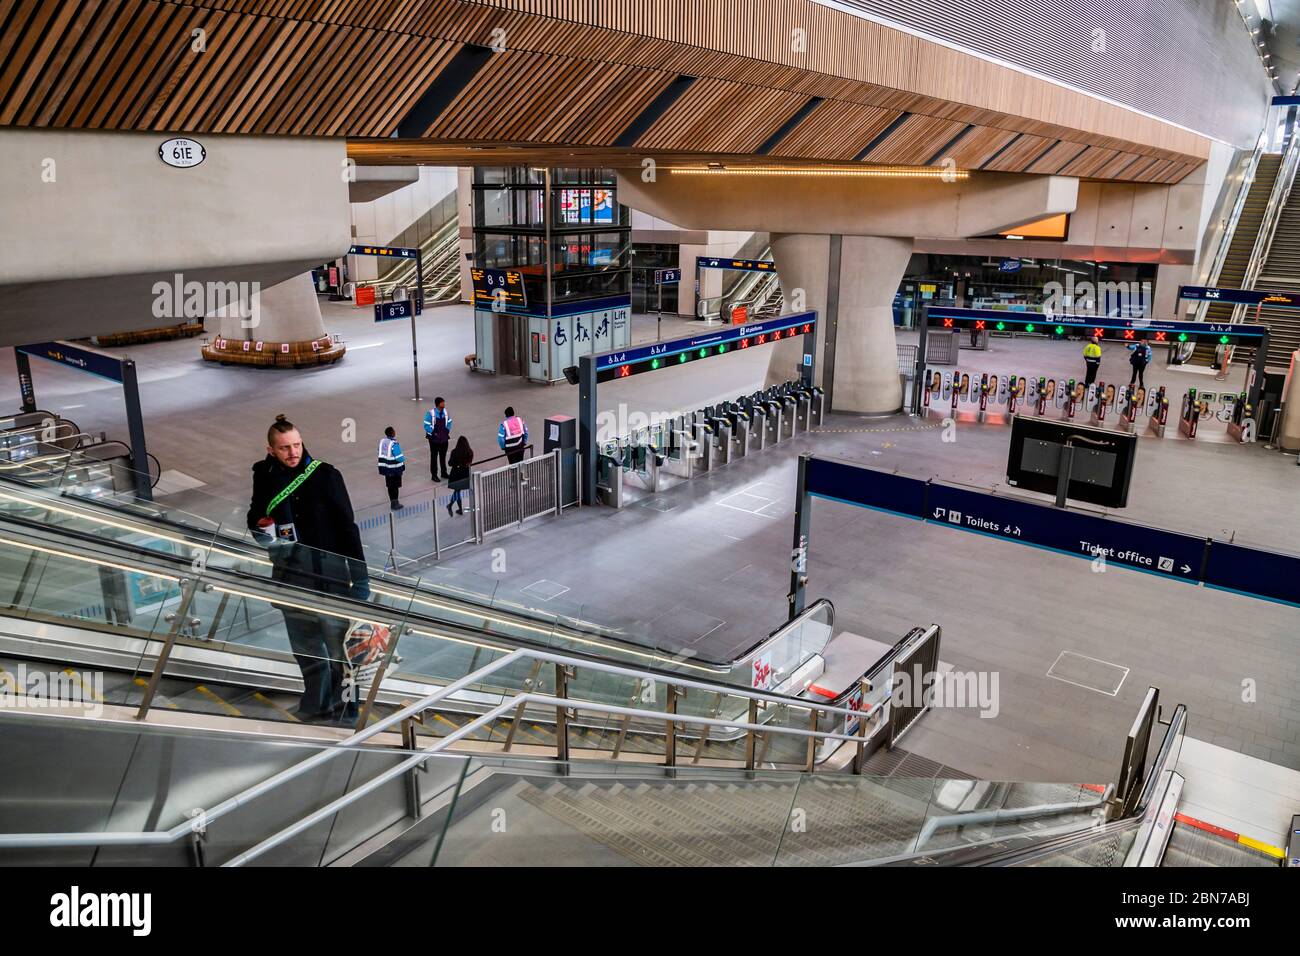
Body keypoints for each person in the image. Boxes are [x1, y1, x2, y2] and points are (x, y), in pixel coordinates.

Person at [247, 415, 369, 725]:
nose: (293, 452)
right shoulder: (263, 475)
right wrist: (261, 531)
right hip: (291, 577)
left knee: (340, 650)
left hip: (330, 579)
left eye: (297, 445)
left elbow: (347, 528)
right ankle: (316, 703)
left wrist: (361, 577)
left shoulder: (326, 476)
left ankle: (347, 708)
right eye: (285, 447)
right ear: (271, 449)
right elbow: (255, 514)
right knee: (306, 649)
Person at [423, 397, 453, 482]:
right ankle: (434, 475)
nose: (444, 404)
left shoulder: (446, 412)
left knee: (443, 457)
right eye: (442, 403)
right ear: (438, 404)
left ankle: (444, 473)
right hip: (434, 440)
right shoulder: (430, 413)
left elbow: (449, 422)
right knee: (434, 457)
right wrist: (433, 433)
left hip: (444, 438)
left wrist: (447, 430)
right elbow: (426, 425)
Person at [377, 425, 405, 510]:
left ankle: (392, 502)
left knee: (390, 486)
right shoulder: (394, 444)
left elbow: (379, 451)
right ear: (392, 433)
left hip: (385, 468)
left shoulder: (382, 442)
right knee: (395, 487)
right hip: (394, 469)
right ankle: (395, 503)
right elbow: (399, 457)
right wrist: (403, 459)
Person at [446, 436, 474, 516]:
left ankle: (451, 506)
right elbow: (469, 463)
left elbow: (450, 464)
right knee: (457, 491)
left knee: (457, 491)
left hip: (455, 474)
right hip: (465, 475)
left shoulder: (454, 452)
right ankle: (456, 508)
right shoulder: (470, 452)